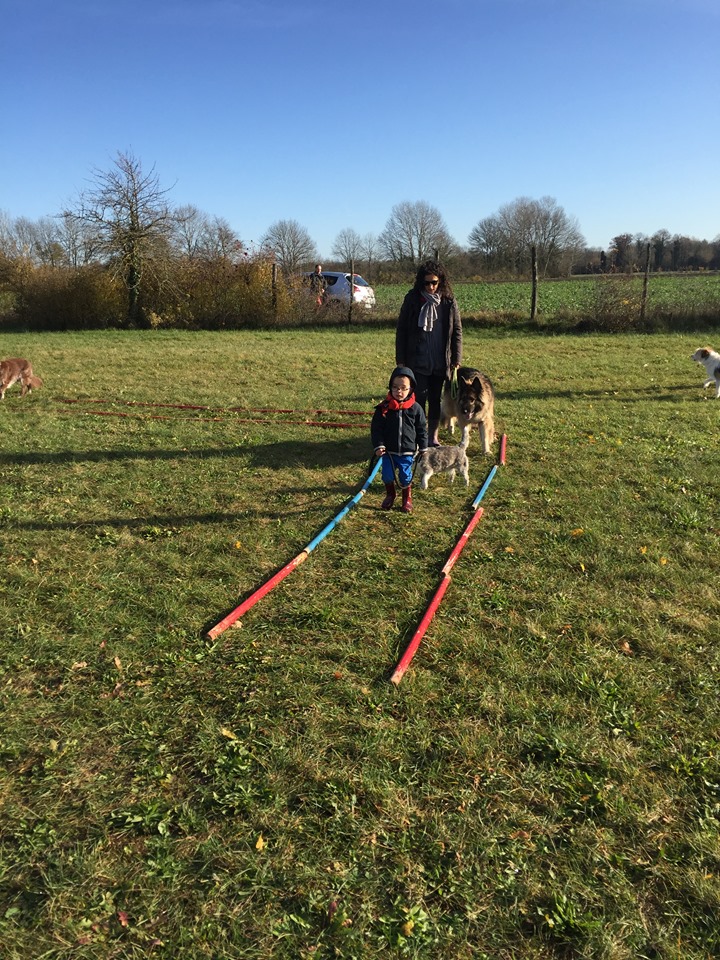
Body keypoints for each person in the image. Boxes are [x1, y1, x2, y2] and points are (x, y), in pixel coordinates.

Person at [395, 259, 462, 446]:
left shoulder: (448, 301)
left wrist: (456, 358)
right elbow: (401, 330)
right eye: (426, 283)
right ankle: (417, 436)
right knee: (419, 399)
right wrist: (400, 359)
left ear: (440, 281)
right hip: (417, 360)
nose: (430, 287)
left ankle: (432, 437)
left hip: (440, 362)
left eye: (434, 282)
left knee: (435, 400)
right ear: (420, 282)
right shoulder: (412, 299)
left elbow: (457, 330)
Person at [371, 365, 428, 513]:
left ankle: (406, 498)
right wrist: (379, 445)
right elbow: (376, 429)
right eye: (395, 387)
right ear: (390, 387)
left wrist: (423, 447)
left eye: (403, 388)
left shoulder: (416, 409)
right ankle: (390, 494)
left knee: (405, 476)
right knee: (387, 475)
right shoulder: (384, 408)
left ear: (411, 389)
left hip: (407, 451)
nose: (399, 391)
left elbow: (422, 429)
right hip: (388, 451)